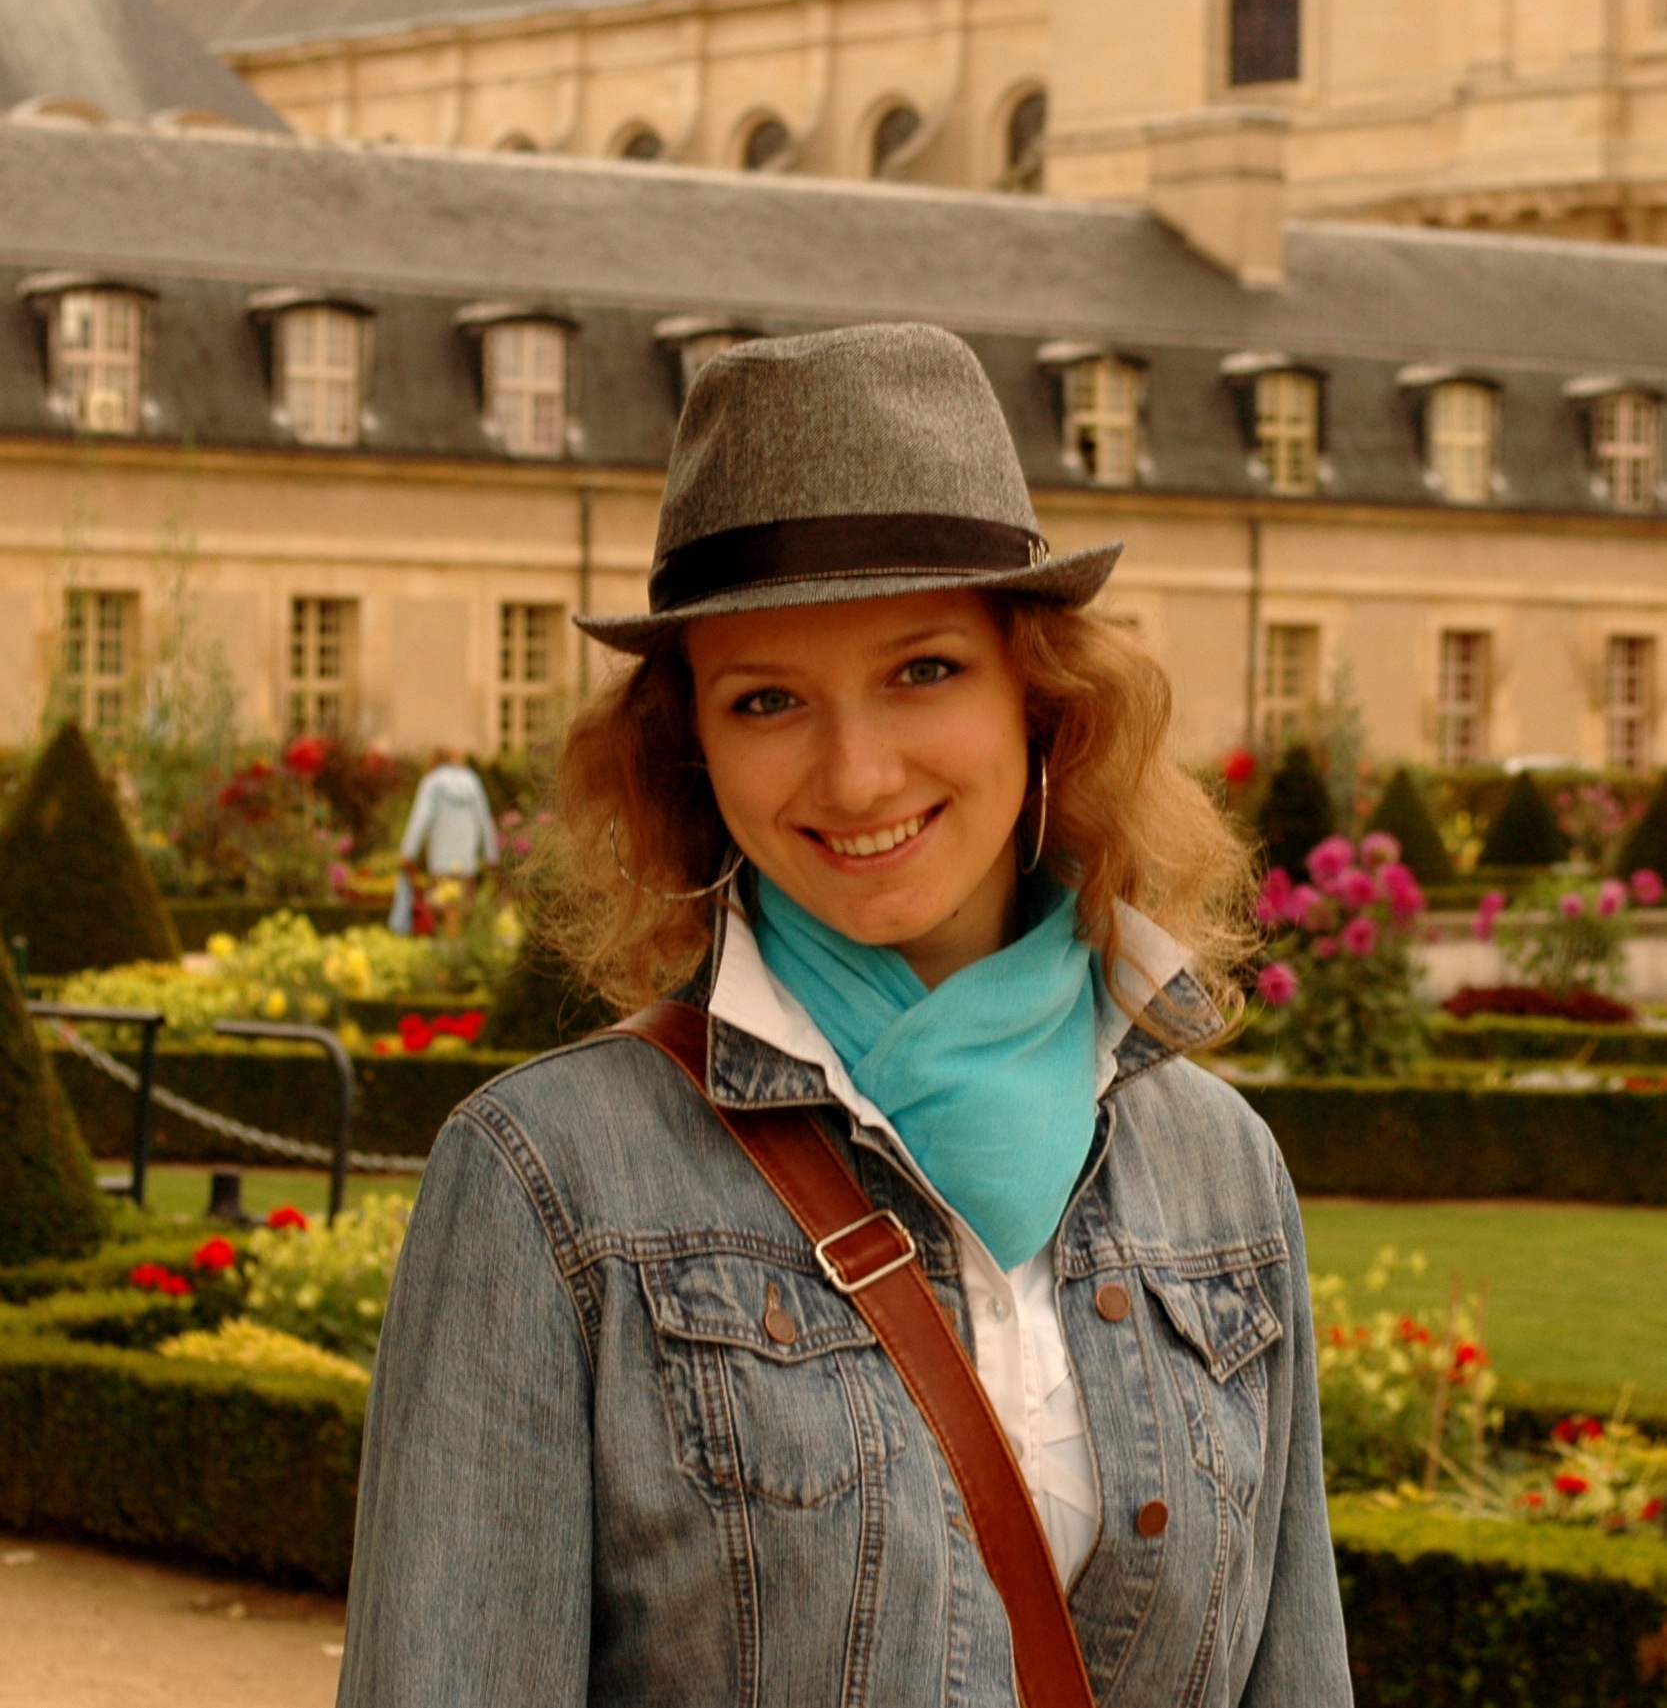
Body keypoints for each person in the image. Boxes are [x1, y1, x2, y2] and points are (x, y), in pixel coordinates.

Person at [339, 325, 1351, 1705]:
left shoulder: (1220, 1174)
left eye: (922, 670)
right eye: (767, 699)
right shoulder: (547, 1185)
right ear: (689, 747)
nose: (857, 773)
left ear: (1038, 697)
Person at [393, 748, 499, 933]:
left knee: (442, 909)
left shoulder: (432, 782)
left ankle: (447, 947)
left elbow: (420, 819)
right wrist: (491, 855)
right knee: (463, 909)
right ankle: (459, 946)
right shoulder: (472, 781)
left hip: (441, 858)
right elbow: (484, 819)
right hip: (466, 859)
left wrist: (408, 852)